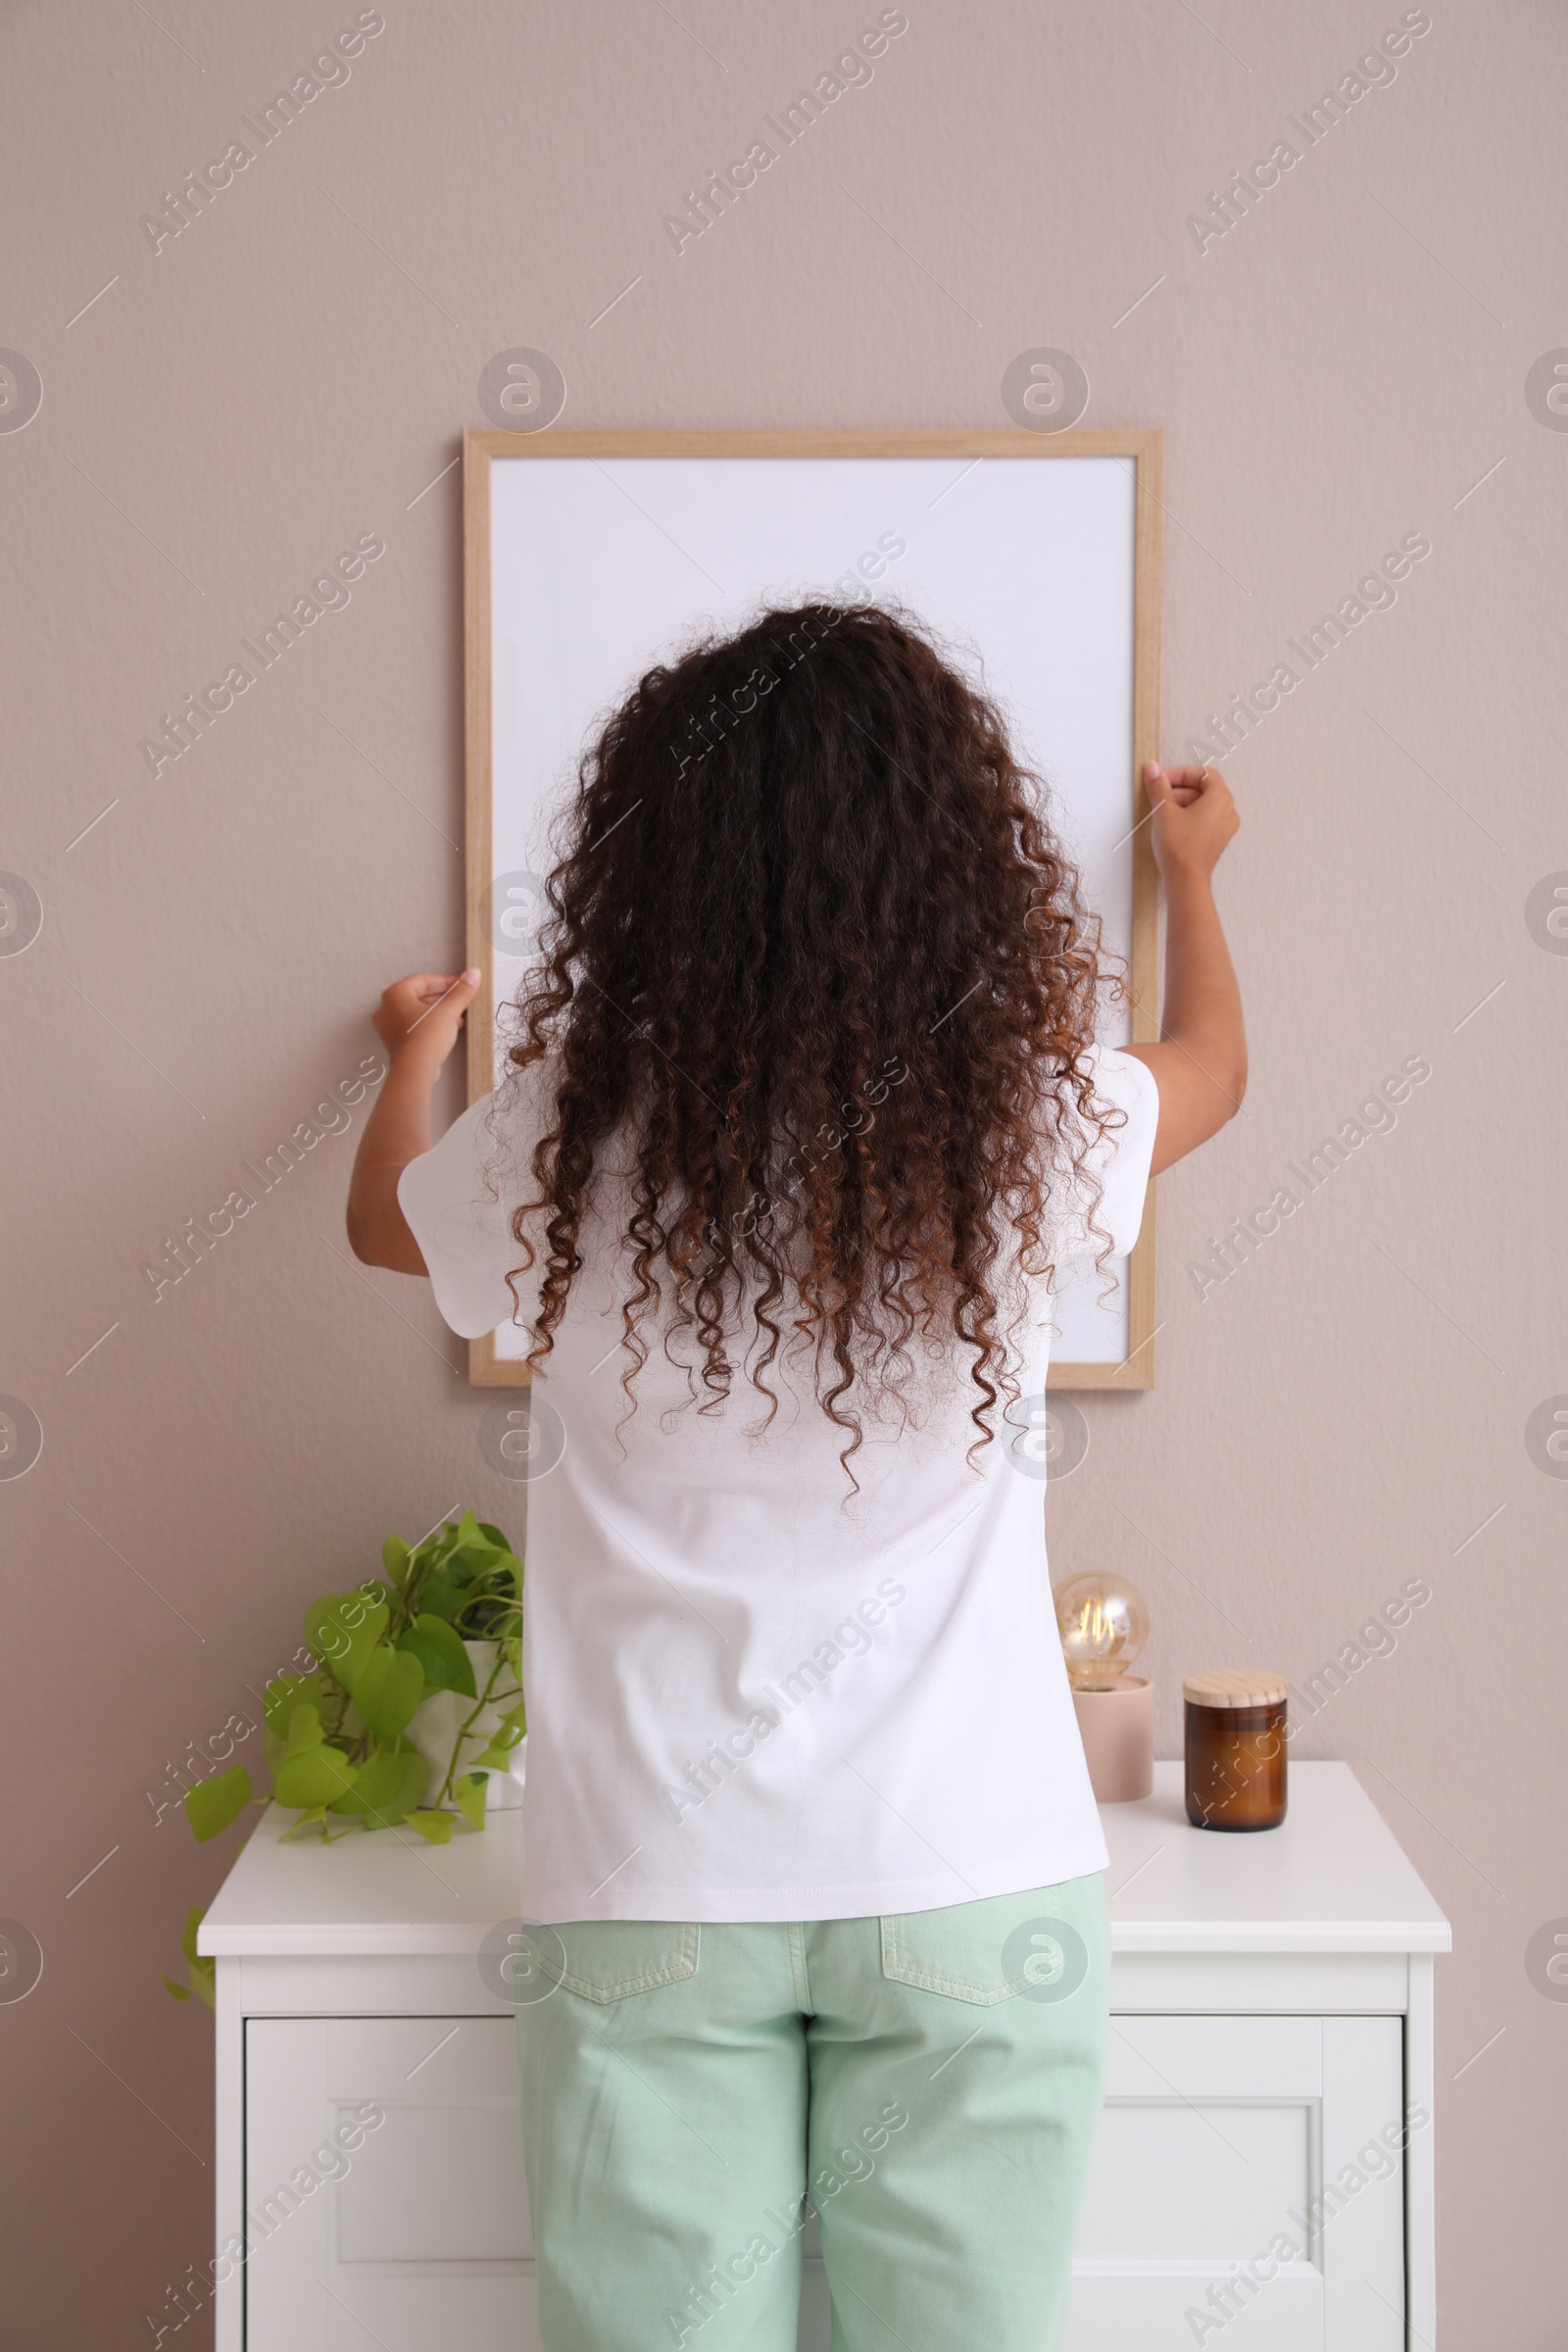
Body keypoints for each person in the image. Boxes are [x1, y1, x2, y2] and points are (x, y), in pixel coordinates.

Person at [347, 599, 1245, 2352]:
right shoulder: (1019, 1127)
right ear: (950, 856)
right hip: (975, 1879)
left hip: (651, 1893)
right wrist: (1195, 875)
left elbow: (385, 1224)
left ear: (647, 869)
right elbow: (1213, 1071)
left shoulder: (567, 1136)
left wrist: (411, 1061)